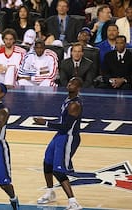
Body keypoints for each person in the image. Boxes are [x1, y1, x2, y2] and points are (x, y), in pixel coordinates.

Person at [33, 77, 84, 210]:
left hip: (69, 137)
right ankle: (50, 193)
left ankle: (73, 202)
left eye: (73, 83)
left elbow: (65, 127)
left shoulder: (75, 105)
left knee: (58, 169)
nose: (69, 84)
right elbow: (62, 122)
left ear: (78, 88)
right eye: (69, 82)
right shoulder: (67, 100)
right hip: (60, 136)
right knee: (47, 163)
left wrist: (45, 122)